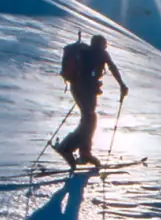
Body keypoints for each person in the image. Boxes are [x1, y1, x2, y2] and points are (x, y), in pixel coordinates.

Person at [52, 34, 128, 169]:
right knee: (89, 119)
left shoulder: (84, 52)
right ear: (101, 44)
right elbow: (112, 67)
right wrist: (122, 85)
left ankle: (84, 152)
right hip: (87, 90)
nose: (105, 46)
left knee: (88, 119)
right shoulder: (101, 53)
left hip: (78, 88)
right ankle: (68, 148)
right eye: (105, 44)